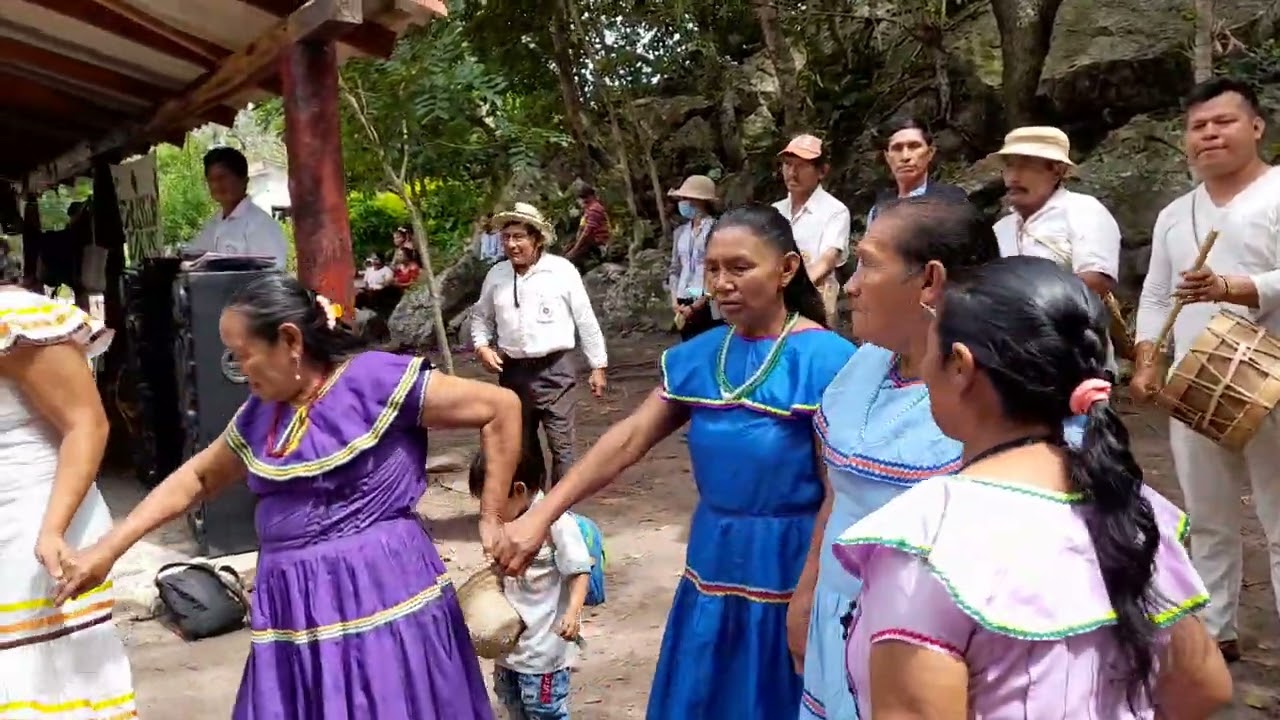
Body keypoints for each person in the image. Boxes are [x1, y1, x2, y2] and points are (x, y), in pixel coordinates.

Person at [55, 274, 522, 719]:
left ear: (291, 341)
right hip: (294, 604)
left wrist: (491, 518)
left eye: (244, 354)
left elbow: (500, 408)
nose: (238, 369)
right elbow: (198, 478)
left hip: (381, 590)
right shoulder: (263, 414)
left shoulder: (374, 380)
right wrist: (108, 550)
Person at [492, 205, 857, 719]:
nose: (722, 283)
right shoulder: (700, 356)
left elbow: (839, 490)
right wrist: (541, 514)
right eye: (712, 268)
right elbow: (629, 438)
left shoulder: (829, 361)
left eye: (740, 267)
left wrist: (810, 593)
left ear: (788, 269)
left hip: (792, 561)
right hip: (713, 556)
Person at [835, 256, 1232, 717]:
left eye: (931, 346)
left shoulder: (925, 540)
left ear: (960, 366)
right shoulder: (1132, 509)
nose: (924, 364)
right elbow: (1203, 688)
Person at [794, 197, 998, 719]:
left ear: (930, 281)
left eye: (867, 263)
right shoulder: (862, 367)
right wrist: (809, 591)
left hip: (932, 649)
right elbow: (838, 492)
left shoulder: (997, 396)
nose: (853, 284)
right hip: (839, 618)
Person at [1132, 76, 1280, 664]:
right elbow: (1155, 294)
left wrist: (1231, 288)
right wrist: (1148, 359)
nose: (1209, 134)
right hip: (1196, 380)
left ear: (1257, 127)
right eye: (1198, 126)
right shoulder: (1176, 212)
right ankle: (1217, 628)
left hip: (1270, 375)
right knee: (1208, 513)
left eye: (1223, 122)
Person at [0, 287, 136, 717]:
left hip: (34, 526)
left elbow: (87, 425)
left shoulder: (15, 317)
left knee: (45, 686)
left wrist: (53, 529)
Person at [472, 202, 608, 486]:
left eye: (519, 237)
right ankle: (533, 510)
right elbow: (481, 317)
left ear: (536, 239)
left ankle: (562, 516)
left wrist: (598, 365)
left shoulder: (562, 271)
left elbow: (585, 320)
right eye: (506, 237)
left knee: (563, 447)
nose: (512, 244)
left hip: (556, 369)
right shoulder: (496, 275)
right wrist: (482, 346)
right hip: (513, 373)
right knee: (522, 447)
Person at [991, 125, 1123, 376]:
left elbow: (1096, 280)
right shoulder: (1001, 229)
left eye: (1025, 165)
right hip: (1011, 363)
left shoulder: (1083, 211)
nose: (1013, 177)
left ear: (1057, 170)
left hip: (1077, 361)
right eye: (1009, 165)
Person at [469, 449, 591, 720]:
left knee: (544, 710)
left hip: (544, 649)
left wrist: (573, 613)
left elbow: (580, 568)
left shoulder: (556, 522)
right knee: (512, 703)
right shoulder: (507, 521)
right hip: (510, 647)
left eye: (493, 504)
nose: (489, 513)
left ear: (518, 490)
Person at [774, 134, 851, 329]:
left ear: (822, 171)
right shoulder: (775, 211)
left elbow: (827, 260)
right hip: (775, 304)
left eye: (801, 166)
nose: (792, 172)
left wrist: (791, 290)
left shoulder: (835, 211)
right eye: (788, 164)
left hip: (816, 303)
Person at [184, 147, 289, 269]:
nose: (217, 185)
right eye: (212, 180)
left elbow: (271, 274)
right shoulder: (213, 224)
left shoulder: (261, 224)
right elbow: (194, 256)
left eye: (222, 178)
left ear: (244, 180)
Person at [866, 116, 969, 225]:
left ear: (930, 152)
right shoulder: (878, 209)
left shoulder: (951, 200)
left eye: (914, 146)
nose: (905, 156)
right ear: (887, 157)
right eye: (897, 148)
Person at [667, 174, 722, 341]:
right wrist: (674, 299)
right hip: (684, 296)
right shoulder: (680, 232)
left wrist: (699, 304)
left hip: (706, 298)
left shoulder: (716, 229)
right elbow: (675, 268)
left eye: (686, 198)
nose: (683, 203)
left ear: (700, 201)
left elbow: (717, 270)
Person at [565, 185, 610, 271]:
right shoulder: (589, 210)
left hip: (597, 244)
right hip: (590, 242)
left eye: (582, 198)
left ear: (589, 197)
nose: (580, 201)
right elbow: (582, 229)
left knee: (570, 259)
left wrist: (574, 250)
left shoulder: (595, 209)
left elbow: (587, 232)